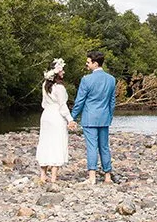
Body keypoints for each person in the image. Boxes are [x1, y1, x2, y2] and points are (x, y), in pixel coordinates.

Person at [71, 51, 117, 185]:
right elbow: (112, 101)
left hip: (90, 117)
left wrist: (72, 117)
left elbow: (80, 101)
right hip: (104, 117)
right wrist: (110, 116)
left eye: (88, 62)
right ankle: (107, 176)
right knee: (104, 146)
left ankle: (92, 177)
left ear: (95, 63)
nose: (86, 64)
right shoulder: (111, 79)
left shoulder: (86, 79)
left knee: (92, 147)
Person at [36, 58, 72, 183]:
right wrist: (70, 119)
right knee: (56, 143)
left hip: (46, 115)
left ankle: (42, 175)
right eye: (62, 71)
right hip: (56, 116)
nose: (64, 73)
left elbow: (44, 103)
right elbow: (62, 106)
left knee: (45, 142)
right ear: (57, 73)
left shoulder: (45, 85)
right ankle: (53, 177)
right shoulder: (60, 88)